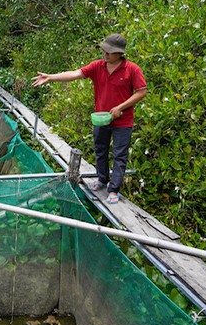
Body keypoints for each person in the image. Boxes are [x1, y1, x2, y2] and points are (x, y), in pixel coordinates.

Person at [31, 33, 147, 204]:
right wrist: (51, 77)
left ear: (119, 53)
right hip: (101, 118)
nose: (105, 54)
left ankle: (114, 189)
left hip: (123, 122)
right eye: (104, 50)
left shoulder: (132, 69)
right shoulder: (98, 66)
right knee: (100, 149)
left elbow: (141, 91)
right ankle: (102, 179)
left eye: (109, 52)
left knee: (119, 155)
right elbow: (75, 74)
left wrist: (121, 108)